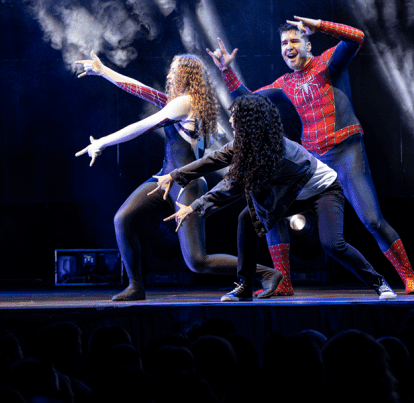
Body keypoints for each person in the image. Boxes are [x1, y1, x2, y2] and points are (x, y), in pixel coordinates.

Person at [208, 16, 414, 294]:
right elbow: (247, 100)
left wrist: (320, 25)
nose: (288, 47)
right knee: (268, 211)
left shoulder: (327, 63)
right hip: (313, 163)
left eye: (294, 41)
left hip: (346, 153)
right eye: (284, 43)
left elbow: (357, 37)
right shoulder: (285, 83)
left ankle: (408, 276)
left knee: (372, 220)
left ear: (308, 44)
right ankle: (283, 282)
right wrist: (226, 70)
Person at [74, 52, 279, 302]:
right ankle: (136, 286)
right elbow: (141, 90)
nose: (169, 75)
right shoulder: (179, 102)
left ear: (188, 77)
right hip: (164, 179)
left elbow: (142, 126)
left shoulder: (186, 103)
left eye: (175, 71)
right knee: (123, 219)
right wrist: (103, 71)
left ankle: (265, 273)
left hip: (187, 185)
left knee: (197, 261)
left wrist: (103, 142)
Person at [162, 93, 397, 301]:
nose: (231, 120)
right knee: (246, 219)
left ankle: (379, 282)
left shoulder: (277, 155)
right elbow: (216, 159)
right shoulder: (249, 143)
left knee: (332, 244)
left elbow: (232, 185)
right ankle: (244, 286)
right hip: (292, 193)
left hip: (323, 190)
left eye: (236, 117)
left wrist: (193, 207)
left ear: (251, 123)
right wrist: (175, 175)